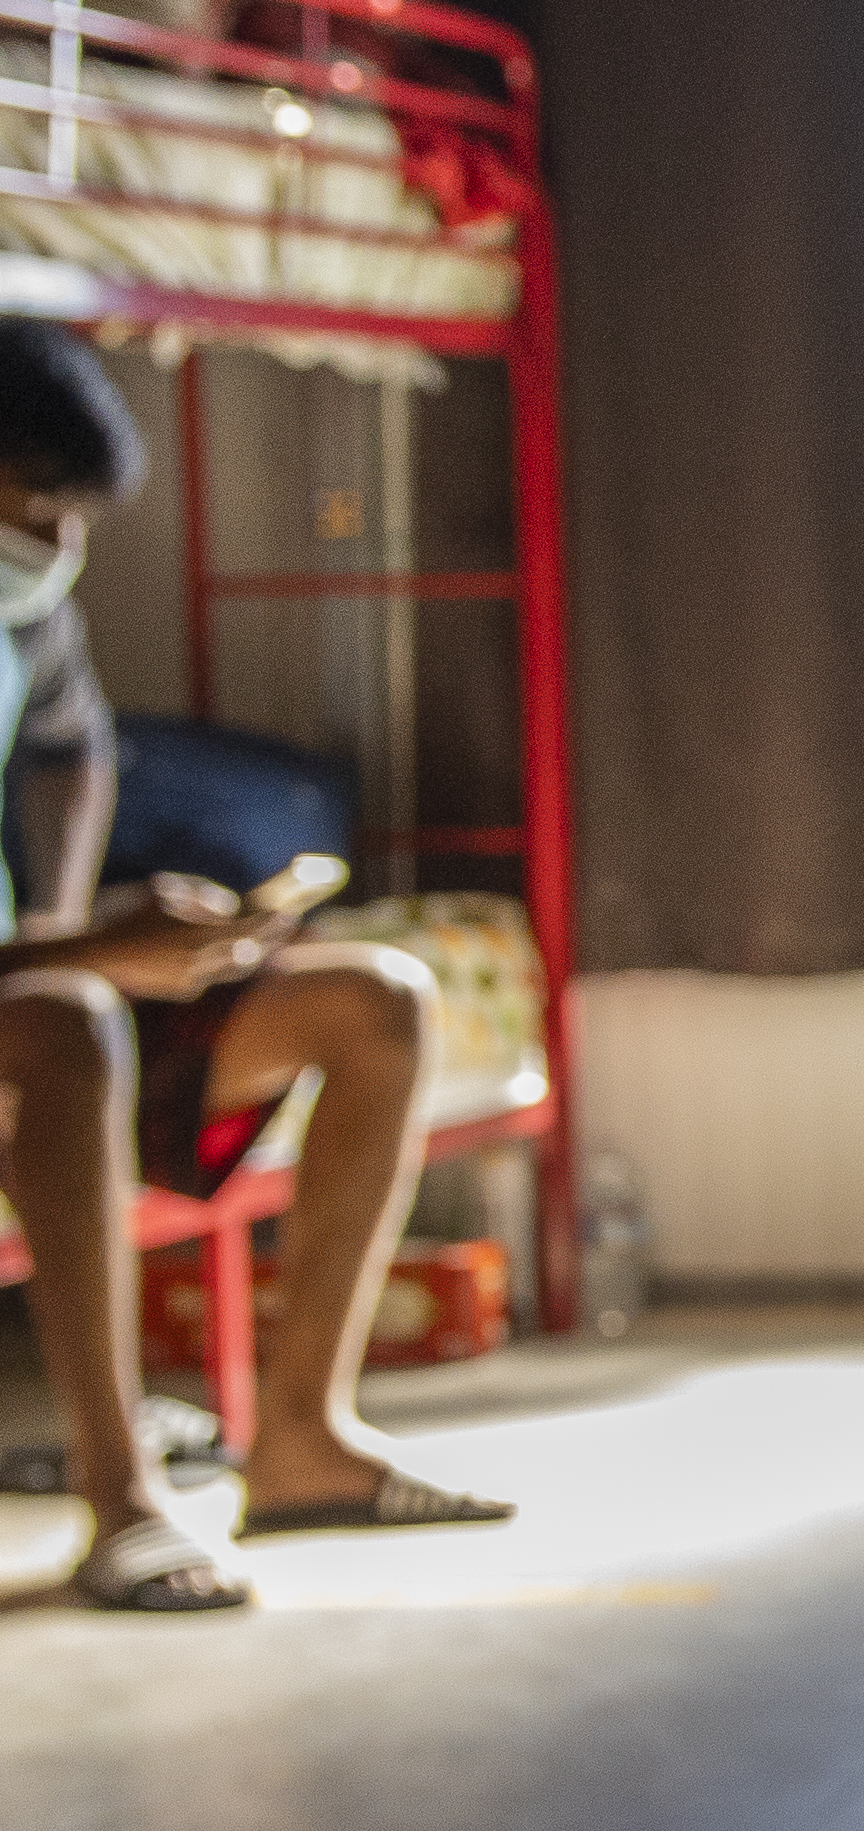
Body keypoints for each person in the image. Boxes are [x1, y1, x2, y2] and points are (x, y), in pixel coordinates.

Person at [2, 317, 510, 1612]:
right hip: (36, 1015)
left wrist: (83, 931)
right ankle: (122, 1497)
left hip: (28, 981)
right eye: (33, 510)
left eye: (73, 520)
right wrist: (80, 956)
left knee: (378, 1004)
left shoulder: (30, 622)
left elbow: (70, 751)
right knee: (68, 1022)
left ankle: (302, 1440)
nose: (55, 547)